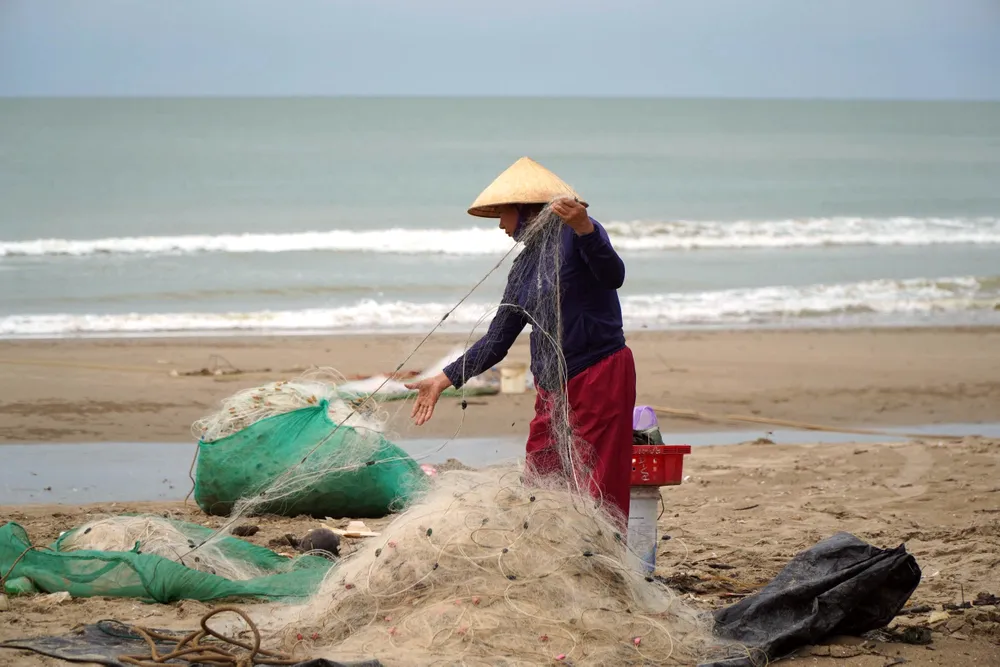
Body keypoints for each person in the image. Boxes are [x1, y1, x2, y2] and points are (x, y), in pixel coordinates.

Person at [405, 157, 636, 524]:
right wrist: (442, 379)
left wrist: (584, 227)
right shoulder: (523, 268)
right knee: (542, 470)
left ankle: (602, 554)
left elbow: (614, 276)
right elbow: (497, 340)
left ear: (525, 210)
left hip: (597, 370)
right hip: (551, 382)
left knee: (596, 477)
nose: (500, 224)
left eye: (503, 213)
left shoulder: (580, 234)